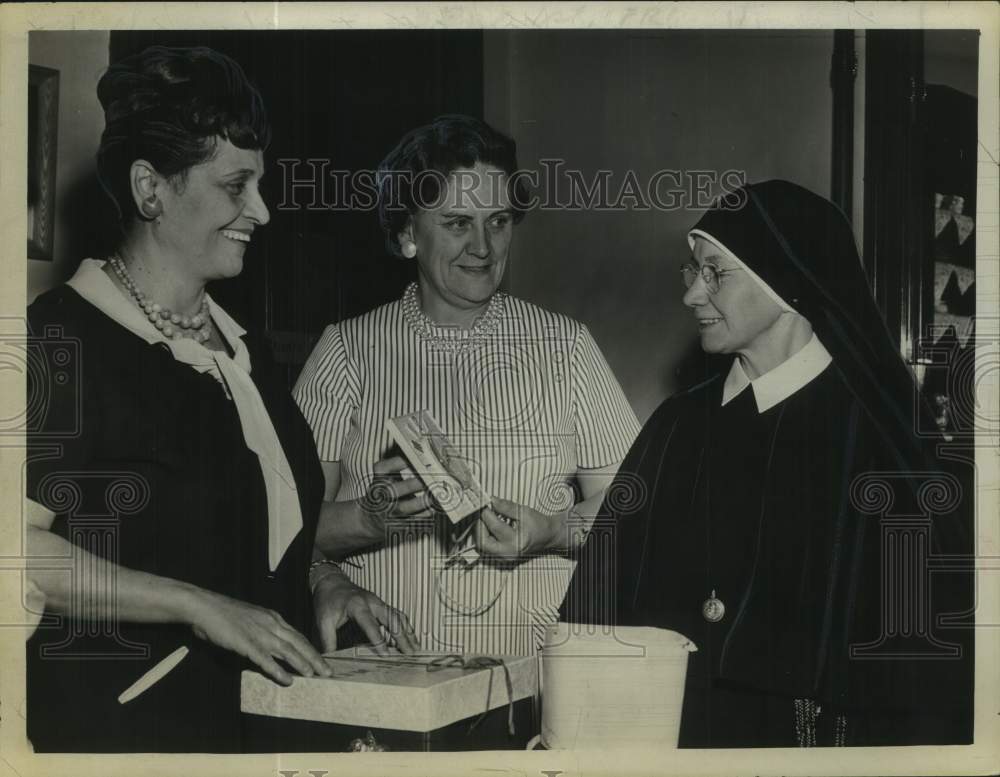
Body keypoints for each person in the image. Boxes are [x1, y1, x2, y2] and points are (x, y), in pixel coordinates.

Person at [564, 180, 974, 747]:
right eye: (692, 270)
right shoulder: (676, 427)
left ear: (788, 281)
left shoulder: (878, 444)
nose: (691, 295)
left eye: (716, 273)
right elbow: (598, 610)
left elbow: (921, 677)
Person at [23, 46, 341, 753]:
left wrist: (323, 583)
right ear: (150, 189)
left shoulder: (243, 348)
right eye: (236, 186)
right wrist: (194, 606)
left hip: (256, 729)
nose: (261, 209)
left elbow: (253, 529)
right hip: (123, 736)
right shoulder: (59, 338)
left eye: (261, 183)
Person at [294, 115, 641, 658]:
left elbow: (633, 506)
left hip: (535, 675)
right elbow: (286, 529)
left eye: (498, 221)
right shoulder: (347, 351)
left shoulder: (566, 346)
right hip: (392, 674)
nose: (483, 246)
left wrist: (551, 529)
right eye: (458, 222)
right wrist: (369, 517)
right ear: (408, 233)